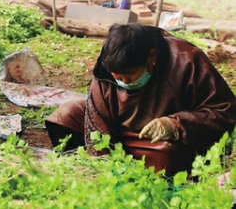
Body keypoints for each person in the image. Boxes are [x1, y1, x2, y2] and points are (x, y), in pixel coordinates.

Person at [45, 23, 236, 174]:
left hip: (154, 142)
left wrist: (177, 124)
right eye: (117, 77)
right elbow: (96, 121)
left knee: (168, 154)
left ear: (151, 57)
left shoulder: (185, 59)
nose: (124, 82)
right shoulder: (106, 67)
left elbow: (225, 110)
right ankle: (78, 166)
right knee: (66, 115)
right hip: (116, 134)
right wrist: (99, 166)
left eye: (130, 76)